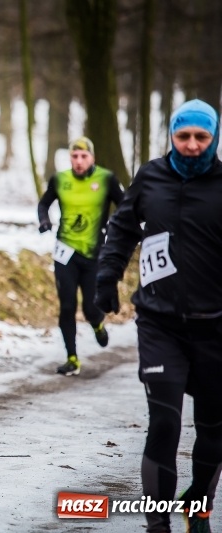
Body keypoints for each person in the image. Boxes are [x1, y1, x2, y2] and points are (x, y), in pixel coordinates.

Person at [96, 99, 222, 533]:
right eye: (182, 136)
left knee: (213, 431)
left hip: (216, 327)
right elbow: (124, 228)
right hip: (160, 323)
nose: (190, 145)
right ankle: (157, 524)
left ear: (214, 138)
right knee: (165, 421)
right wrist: (106, 278)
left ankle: (198, 508)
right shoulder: (151, 176)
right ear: (172, 136)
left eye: (200, 137)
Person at [37, 136, 124, 376]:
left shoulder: (106, 179)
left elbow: (125, 206)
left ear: (92, 158)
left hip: (94, 254)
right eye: (74, 156)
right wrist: (44, 220)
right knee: (66, 305)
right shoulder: (60, 180)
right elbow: (43, 204)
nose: (78, 161)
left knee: (89, 307)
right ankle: (72, 358)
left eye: (83, 156)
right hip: (65, 252)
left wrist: (113, 229)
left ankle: (97, 324)